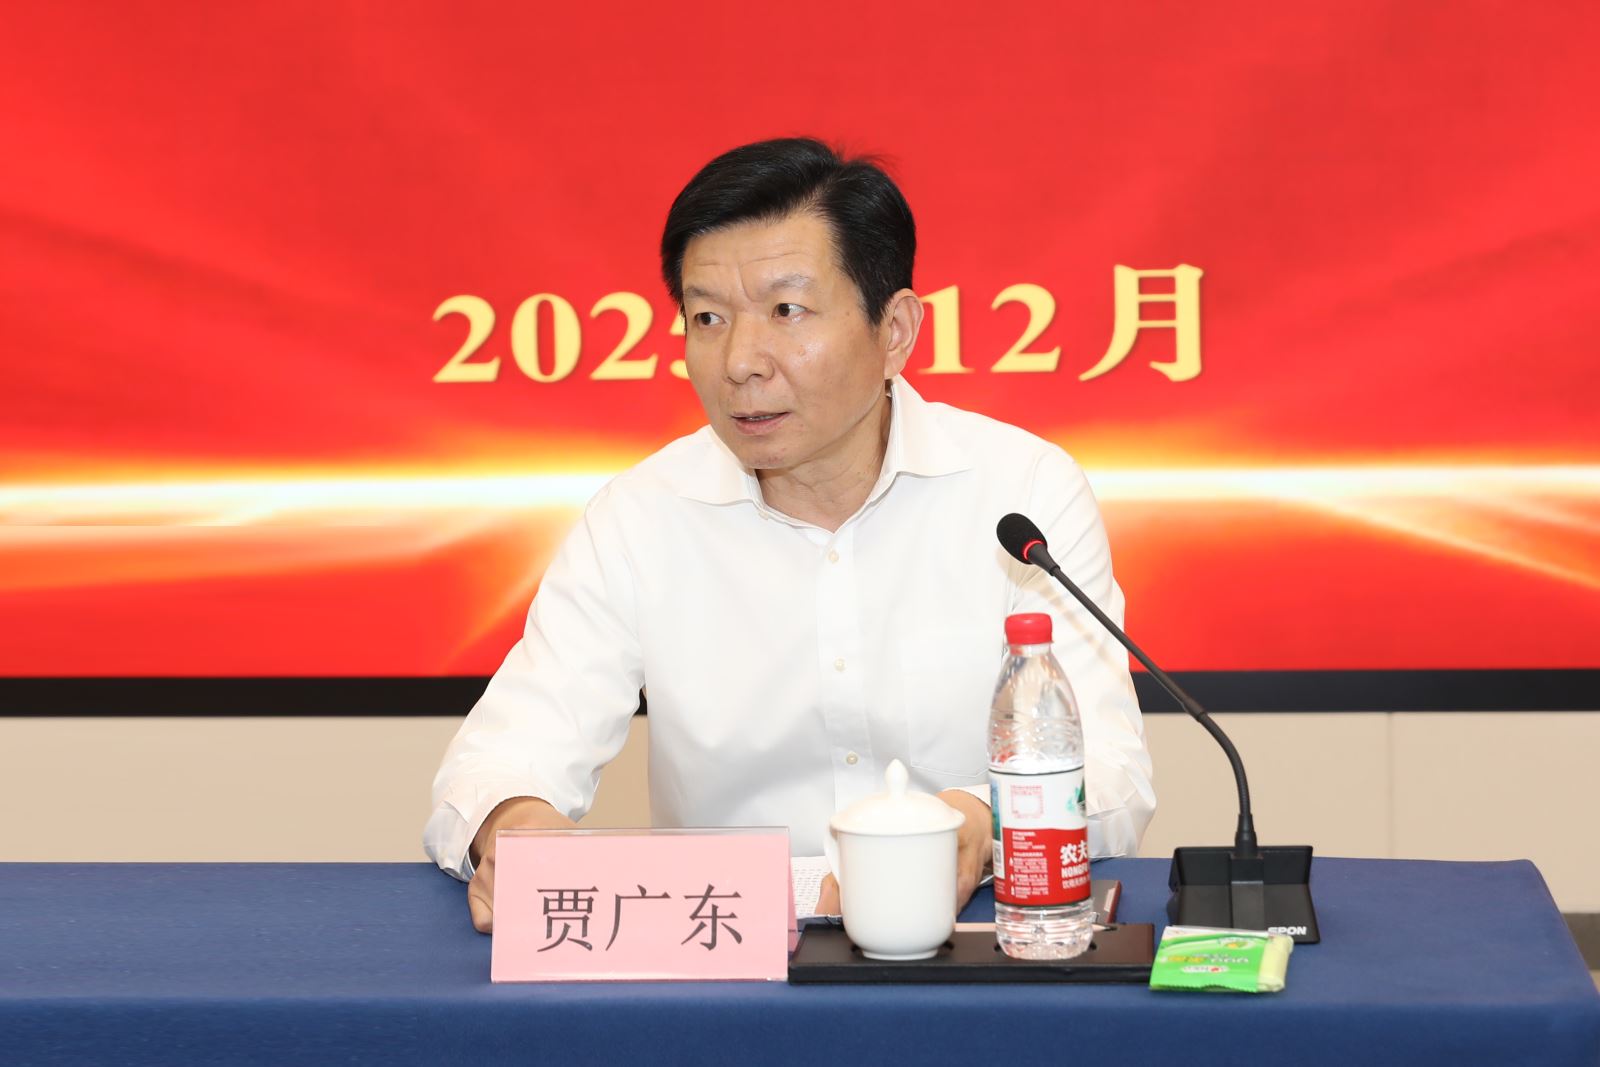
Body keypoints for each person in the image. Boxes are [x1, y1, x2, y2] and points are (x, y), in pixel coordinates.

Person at [424, 138, 1156, 933]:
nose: (740, 361)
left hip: (969, 945)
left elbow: (1111, 776)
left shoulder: (1022, 493)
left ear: (894, 330)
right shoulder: (642, 516)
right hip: (722, 953)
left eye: (787, 312)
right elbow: (503, 754)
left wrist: (981, 823)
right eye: (708, 318)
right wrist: (516, 824)